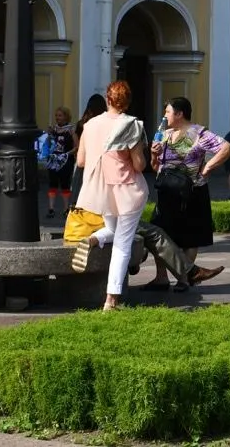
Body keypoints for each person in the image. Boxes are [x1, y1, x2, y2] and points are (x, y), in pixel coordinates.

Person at [74, 80, 149, 311]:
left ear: (108, 99)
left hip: (100, 189)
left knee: (113, 229)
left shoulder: (90, 125)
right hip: (128, 189)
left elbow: (81, 161)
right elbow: (139, 165)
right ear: (127, 102)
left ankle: (94, 239)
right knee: (123, 244)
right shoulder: (131, 124)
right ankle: (111, 299)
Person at [148, 96, 230, 290]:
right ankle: (161, 278)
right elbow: (155, 167)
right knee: (160, 234)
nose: (165, 116)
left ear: (179, 114)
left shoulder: (199, 133)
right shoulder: (164, 134)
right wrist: (153, 154)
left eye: (168, 112)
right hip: (167, 190)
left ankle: (183, 280)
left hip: (192, 191)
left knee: (190, 236)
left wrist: (208, 166)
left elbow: (226, 147)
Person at [45, 106, 77, 219]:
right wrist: (48, 134)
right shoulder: (53, 129)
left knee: (65, 185)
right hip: (53, 160)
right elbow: (47, 145)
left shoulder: (71, 130)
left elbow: (77, 146)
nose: (57, 118)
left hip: (66, 161)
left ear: (66, 117)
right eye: (56, 116)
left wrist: (67, 154)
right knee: (52, 184)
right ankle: (51, 208)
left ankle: (66, 208)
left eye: (60, 115)